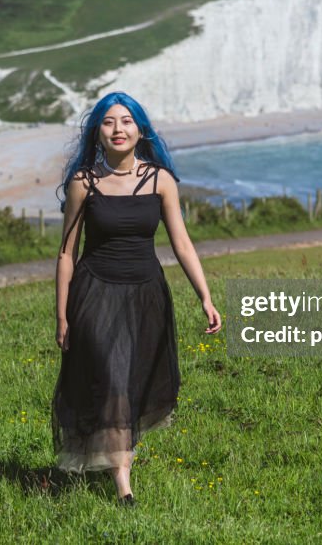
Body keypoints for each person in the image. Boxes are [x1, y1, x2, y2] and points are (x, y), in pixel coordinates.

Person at [52, 92, 222, 506]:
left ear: (140, 130)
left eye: (126, 121)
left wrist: (205, 296)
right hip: (94, 294)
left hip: (147, 294)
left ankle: (120, 457)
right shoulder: (83, 183)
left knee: (131, 380)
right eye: (109, 122)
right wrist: (61, 316)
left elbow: (181, 243)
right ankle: (123, 483)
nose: (118, 129)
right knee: (112, 378)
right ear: (98, 133)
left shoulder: (160, 180)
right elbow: (66, 253)